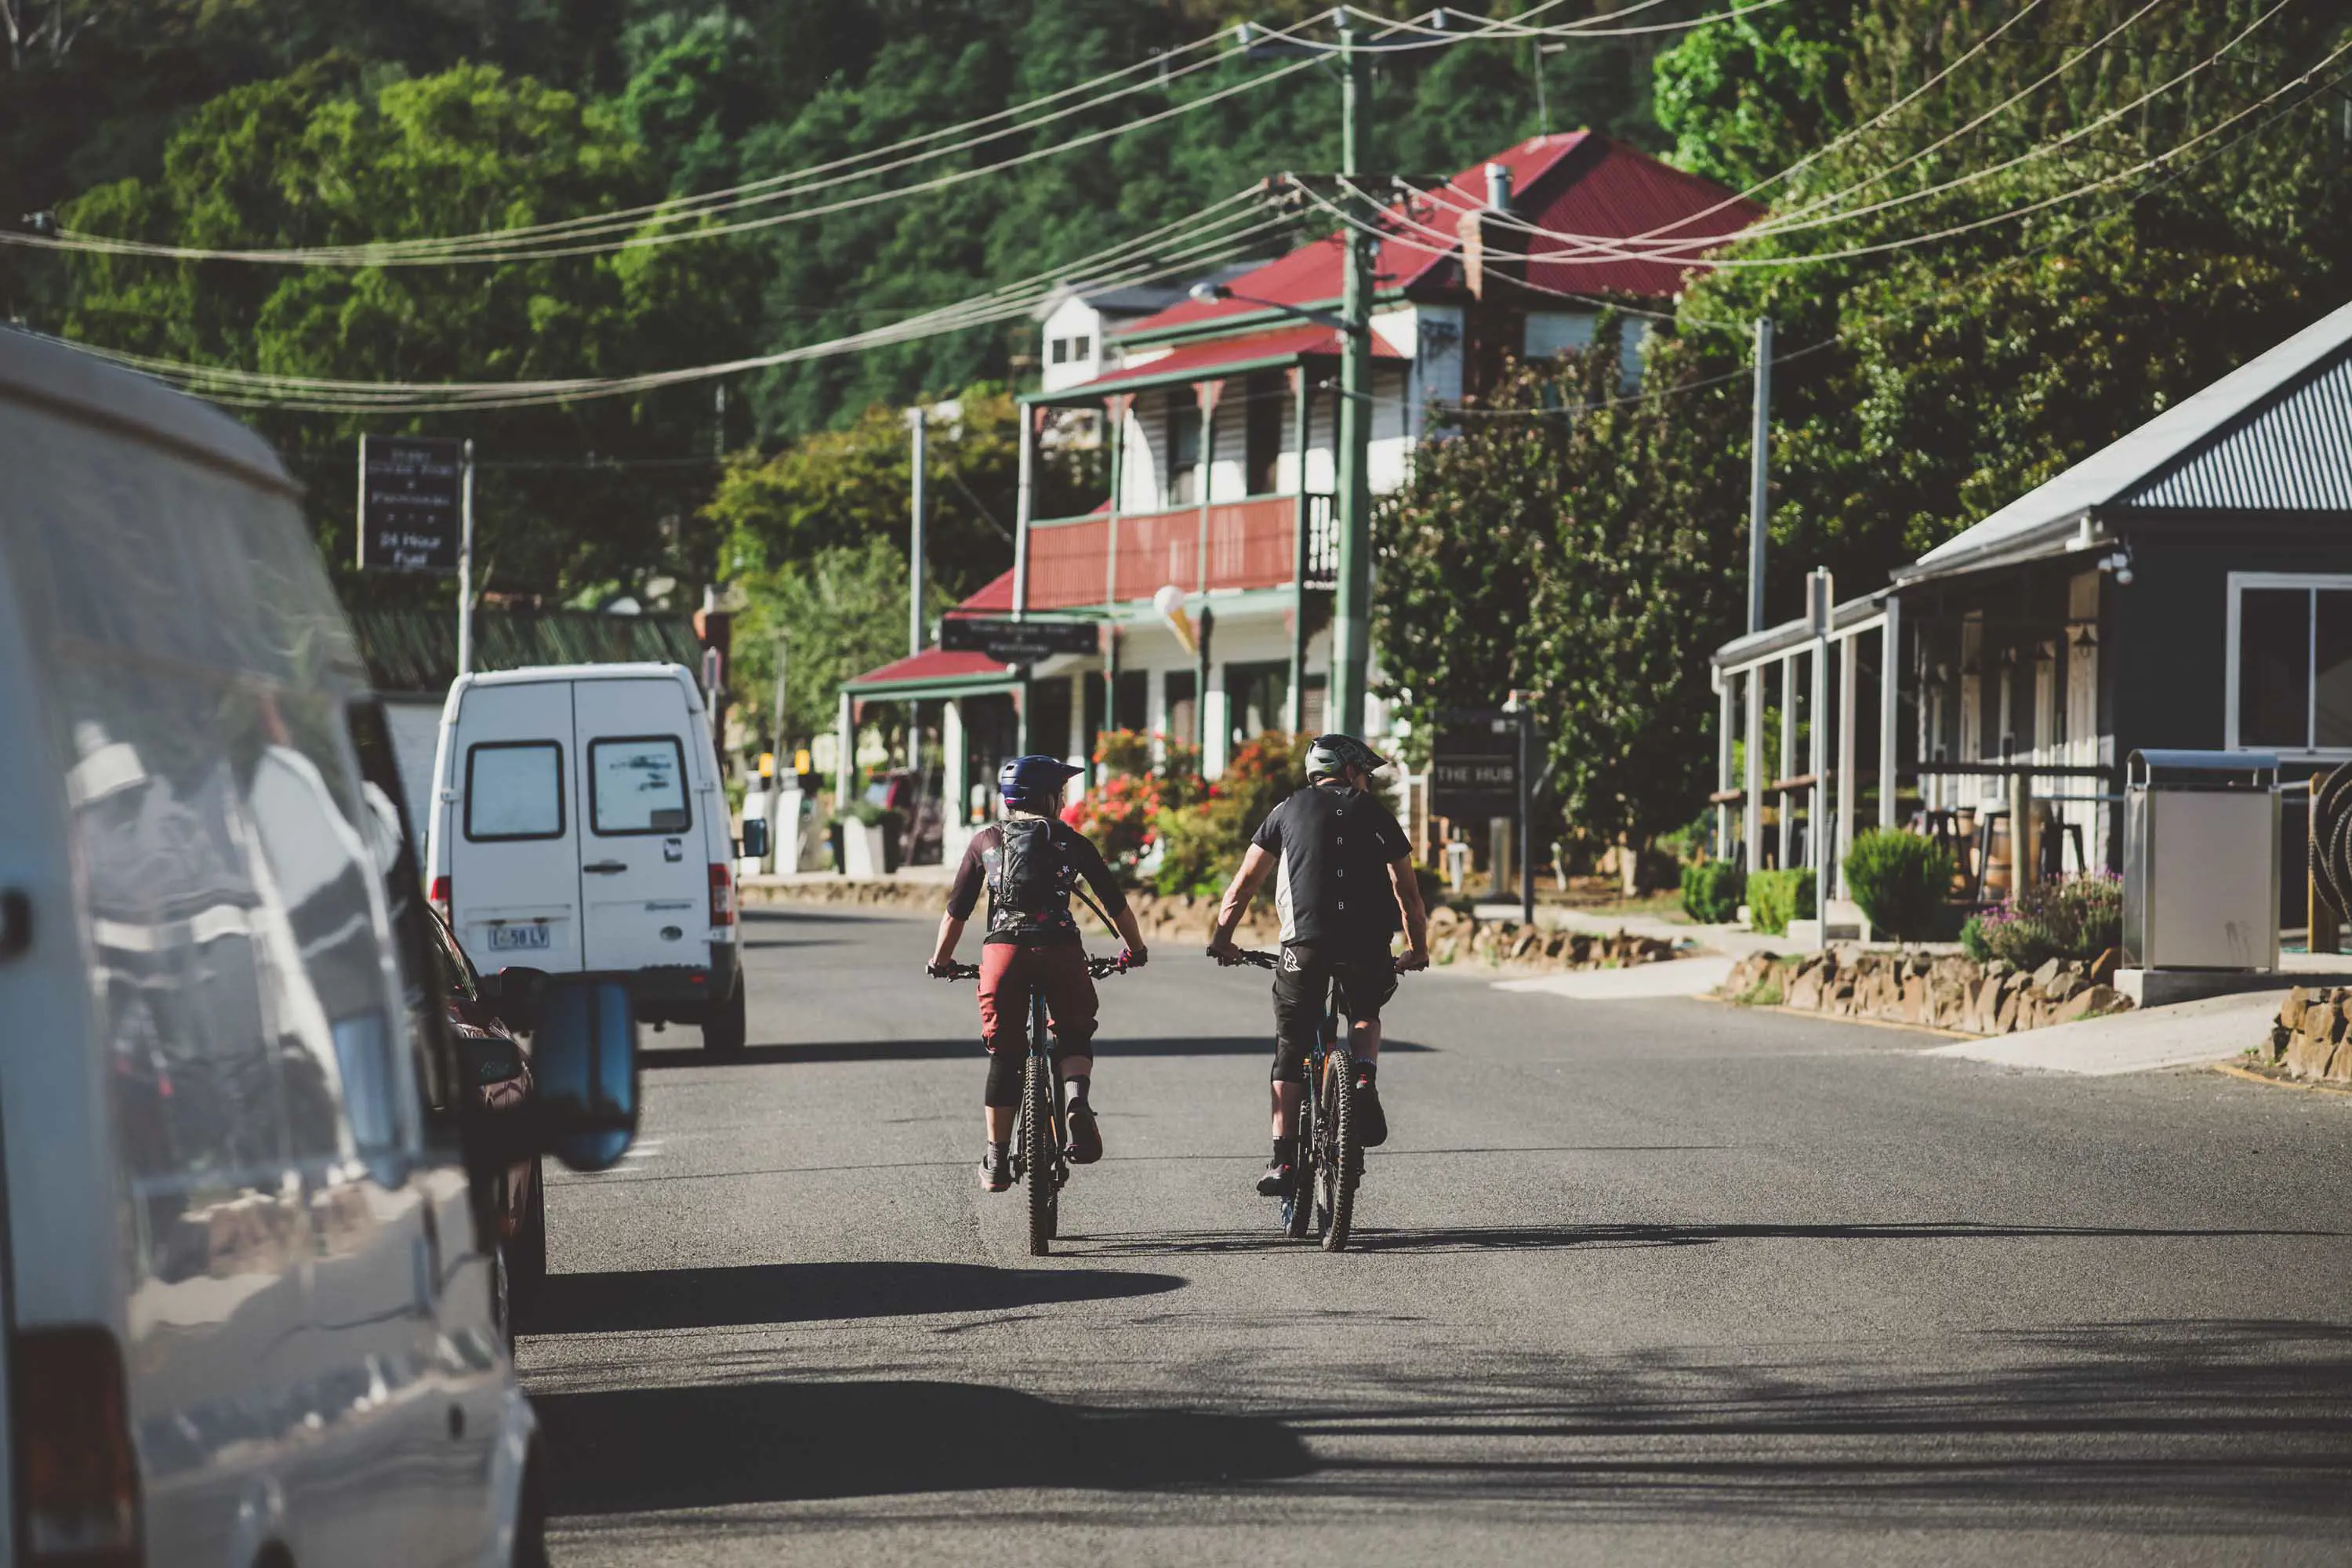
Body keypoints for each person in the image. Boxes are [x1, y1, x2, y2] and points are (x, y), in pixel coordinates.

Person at [1207, 733, 1429, 1198]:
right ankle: (1362, 1076)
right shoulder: (1376, 813)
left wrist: (1223, 940)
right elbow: (1407, 892)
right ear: (1348, 770)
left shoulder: (1285, 810)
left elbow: (1244, 884)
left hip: (1304, 946)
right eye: (1364, 773)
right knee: (1364, 1012)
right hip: (1368, 945)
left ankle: (1284, 1160)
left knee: (1292, 1046)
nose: (1366, 782)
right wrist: (1417, 948)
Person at [929, 754, 1149, 1192]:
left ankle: (996, 1158)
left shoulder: (985, 842)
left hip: (1003, 954)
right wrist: (1135, 949)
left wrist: (941, 960)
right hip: (1061, 950)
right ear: (1047, 798)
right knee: (1073, 1032)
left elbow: (957, 912)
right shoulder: (1073, 841)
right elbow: (1115, 903)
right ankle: (1076, 1102)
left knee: (1005, 1054)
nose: (1064, 801)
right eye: (1060, 794)